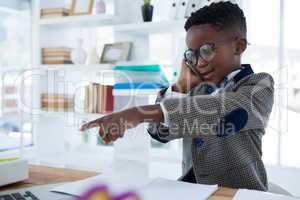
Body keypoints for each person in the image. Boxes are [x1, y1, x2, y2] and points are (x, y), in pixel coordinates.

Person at [80, 1, 274, 191]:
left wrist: (140, 113)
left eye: (206, 50)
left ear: (239, 46)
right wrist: (181, 86)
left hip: (239, 192)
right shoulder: (194, 88)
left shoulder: (258, 85)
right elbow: (159, 133)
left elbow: (219, 110)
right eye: (192, 54)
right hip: (190, 190)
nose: (198, 62)